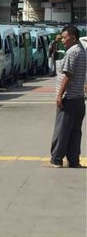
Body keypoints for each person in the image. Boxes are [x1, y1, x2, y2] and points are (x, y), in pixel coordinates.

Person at [47, 25, 86, 168]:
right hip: (79, 99)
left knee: (62, 130)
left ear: (73, 38)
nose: (63, 40)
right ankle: (74, 160)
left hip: (69, 98)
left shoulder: (72, 52)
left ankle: (56, 159)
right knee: (75, 132)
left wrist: (59, 95)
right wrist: (58, 40)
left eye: (65, 37)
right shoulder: (81, 51)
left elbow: (67, 75)